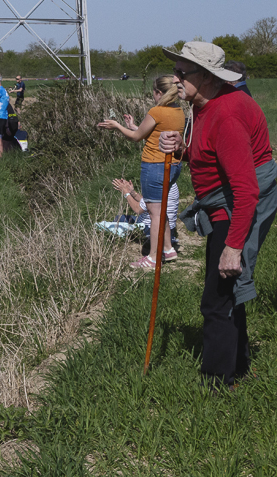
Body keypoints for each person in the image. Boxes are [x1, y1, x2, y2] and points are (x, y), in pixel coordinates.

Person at [159, 41, 277, 390]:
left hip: (235, 203)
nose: (175, 79)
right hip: (226, 199)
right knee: (226, 290)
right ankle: (237, 366)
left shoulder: (226, 114)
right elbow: (208, 155)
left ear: (208, 77)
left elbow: (247, 189)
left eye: (182, 73)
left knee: (217, 298)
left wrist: (233, 246)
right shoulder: (204, 104)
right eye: (175, 71)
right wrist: (182, 150)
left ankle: (217, 382)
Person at [98, 75, 185, 269]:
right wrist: (133, 126)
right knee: (162, 211)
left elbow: (137, 138)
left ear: (159, 93)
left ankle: (153, 258)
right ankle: (169, 248)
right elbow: (154, 135)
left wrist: (117, 126)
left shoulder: (157, 111)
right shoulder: (179, 111)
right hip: (173, 165)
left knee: (155, 214)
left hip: (154, 166)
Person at [112, 178, 180, 254]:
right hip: (169, 228)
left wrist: (126, 193)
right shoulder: (171, 184)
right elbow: (149, 202)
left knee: (119, 219)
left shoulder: (155, 184)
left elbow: (138, 209)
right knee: (122, 219)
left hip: (150, 226)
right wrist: (133, 193)